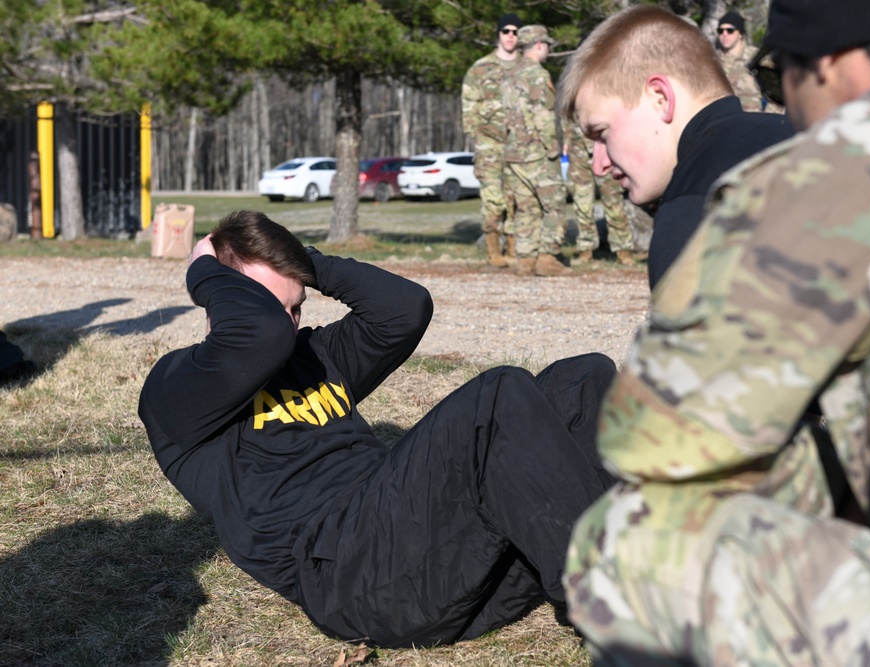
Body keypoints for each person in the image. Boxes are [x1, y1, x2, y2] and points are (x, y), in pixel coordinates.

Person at [564, 0, 870, 663]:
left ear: (824, 60)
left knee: (631, 539)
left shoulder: (853, 160)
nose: (786, 111)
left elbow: (653, 438)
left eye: (779, 78)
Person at [138, 210, 616, 648]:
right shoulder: (180, 391)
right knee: (498, 394)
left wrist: (306, 262)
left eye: (296, 307)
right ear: (226, 300)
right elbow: (259, 335)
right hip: (354, 580)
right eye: (270, 305)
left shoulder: (316, 359)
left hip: (453, 566)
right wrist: (203, 269)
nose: (287, 322)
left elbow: (405, 308)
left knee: (584, 376)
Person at [556, 5, 793, 291]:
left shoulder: (694, 207)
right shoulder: (797, 140)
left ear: (660, 98)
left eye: (602, 134)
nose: (599, 165)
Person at [504, 24, 571, 277]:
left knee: (526, 207)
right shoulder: (538, 76)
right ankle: (546, 259)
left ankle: (525, 260)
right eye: (548, 46)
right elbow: (543, 116)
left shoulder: (509, 75)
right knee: (553, 205)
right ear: (540, 45)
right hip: (537, 153)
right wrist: (553, 148)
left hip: (514, 153)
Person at [462, 13, 522, 268]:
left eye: (515, 32)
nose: (510, 35)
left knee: (516, 198)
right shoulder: (480, 68)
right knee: (492, 198)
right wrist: (477, 136)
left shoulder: (526, 68)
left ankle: (513, 250)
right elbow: (469, 104)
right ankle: (493, 252)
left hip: (520, 145)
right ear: (498, 34)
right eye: (506, 31)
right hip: (489, 146)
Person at [564, 122, 636, 266]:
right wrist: (566, 141)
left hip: (604, 149)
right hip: (577, 152)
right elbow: (566, 116)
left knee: (614, 203)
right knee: (582, 203)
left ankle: (623, 250)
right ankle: (586, 250)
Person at [714, 10, 769, 112]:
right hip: (722, 119)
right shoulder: (712, 59)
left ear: (740, 34)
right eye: (720, 31)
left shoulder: (757, 57)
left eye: (730, 30)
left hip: (755, 120)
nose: (725, 34)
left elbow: (775, 92)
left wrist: (771, 119)